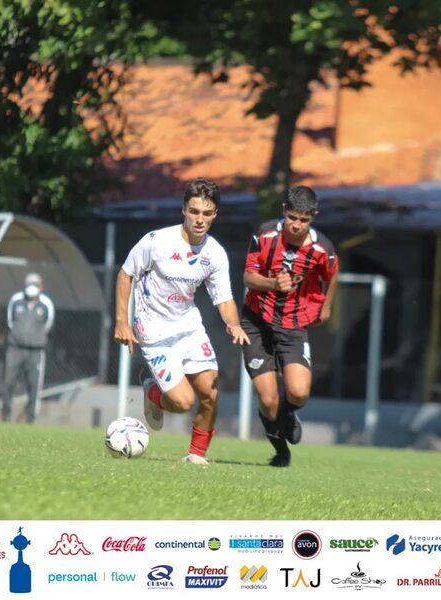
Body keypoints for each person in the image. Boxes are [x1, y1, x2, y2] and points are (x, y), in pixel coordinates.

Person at [114, 177, 249, 465]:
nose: (200, 220)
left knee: (211, 390)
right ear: (184, 211)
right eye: (194, 211)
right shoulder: (157, 242)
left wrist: (233, 324)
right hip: (154, 333)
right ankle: (153, 392)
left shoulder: (214, 254)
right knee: (183, 402)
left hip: (189, 329)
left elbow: (223, 298)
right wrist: (121, 322)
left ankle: (196, 455)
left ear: (215, 214)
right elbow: (125, 274)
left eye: (207, 213)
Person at [241, 186, 339, 467]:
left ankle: (288, 414)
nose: (297, 225)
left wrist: (326, 305)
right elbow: (249, 277)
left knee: (298, 392)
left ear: (314, 217)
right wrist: (273, 283)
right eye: (292, 217)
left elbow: (332, 274)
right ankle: (281, 452)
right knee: (268, 398)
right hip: (256, 322)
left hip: (292, 325)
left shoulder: (323, 249)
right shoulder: (265, 234)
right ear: (284, 210)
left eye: (304, 220)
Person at [1, 273, 55, 423]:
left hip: (36, 350)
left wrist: (35, 338)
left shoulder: (46, 304)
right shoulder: (16, 301)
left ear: (41, 286)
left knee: (33, 385)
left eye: (36, 284)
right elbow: (10, 321)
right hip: (15, 348)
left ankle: (30, 417)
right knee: (8, 381)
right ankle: (5, 414)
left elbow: (47, 325)